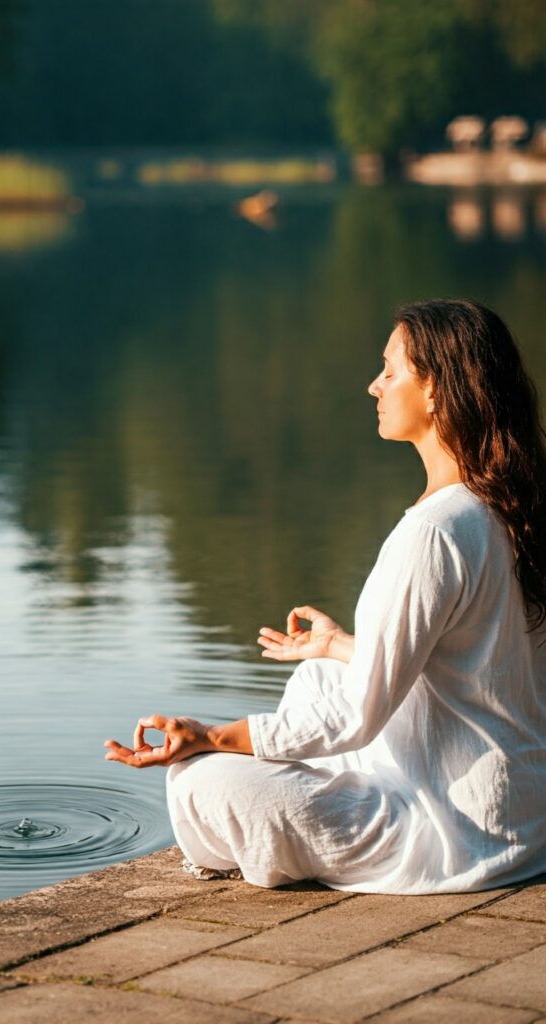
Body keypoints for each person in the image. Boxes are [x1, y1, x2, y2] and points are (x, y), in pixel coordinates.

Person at [105, 299, 546, 893]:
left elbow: (361, 716)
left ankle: (291, 817)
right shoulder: (511, 505)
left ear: (437, 390)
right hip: (524, 810)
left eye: (390, 371)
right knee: (316, 677)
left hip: (460, 835)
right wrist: (339, 645)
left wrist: (214, 737)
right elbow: (484, 662)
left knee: (199, 778)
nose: (374, 385)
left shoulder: (435, 530)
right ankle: (305, 780)